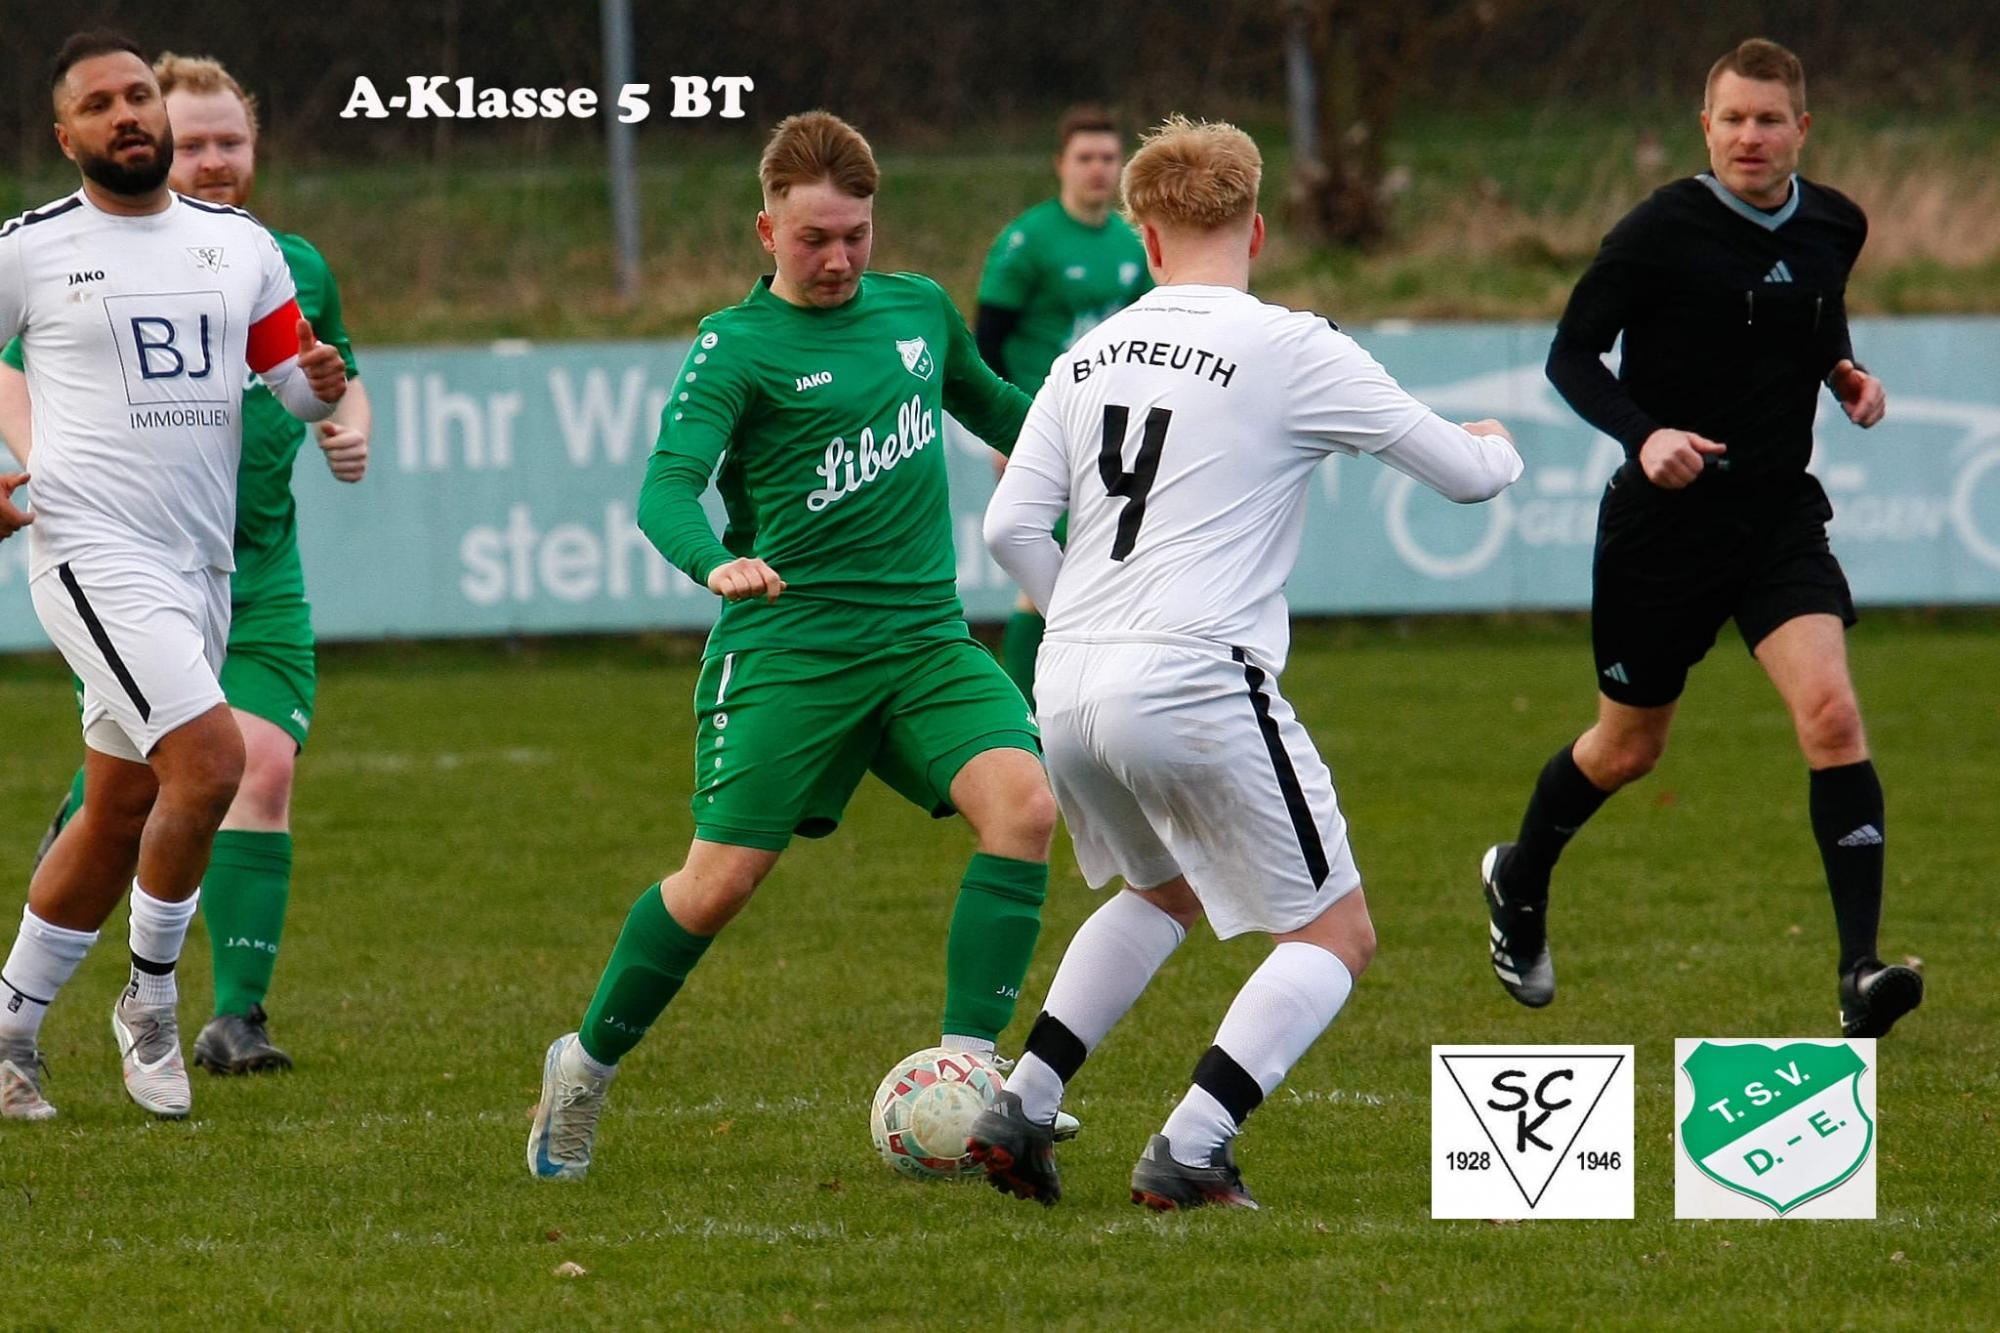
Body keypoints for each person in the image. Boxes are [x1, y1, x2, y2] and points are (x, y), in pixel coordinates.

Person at [975, 115, 1521, 1208]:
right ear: (1256, 229)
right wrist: (1497, 443)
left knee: (1159, 890)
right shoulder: (1289, 345)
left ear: (1144, 237)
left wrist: (1081, 610)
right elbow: (1463, 477)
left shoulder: (1086, 352)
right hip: (1187, 672)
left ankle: (1021, 1104)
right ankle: (1190, 1143)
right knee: (1335, 930)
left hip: (1069, 678)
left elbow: (1004, 529)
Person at [527, 111, 1062, 1181]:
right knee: (716, 884)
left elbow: (1005, 409)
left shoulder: (917, 313)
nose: (837, 258)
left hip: (922, 639)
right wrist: (710, 561)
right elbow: (664, 487)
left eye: (855, 235)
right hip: (790, 647)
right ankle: (582, 1068)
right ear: (763, 229)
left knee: (1025, 805)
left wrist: (1087, 453)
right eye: (812, 237)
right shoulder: (736, 344)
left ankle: (969, 1080)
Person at [1478, 38, 1920, 1039]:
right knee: (1628, 747)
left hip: (1773, 518)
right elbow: (1568, 355)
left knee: (1832, 715)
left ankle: (1858, 973)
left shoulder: (1834, 223)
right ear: (1704, 127)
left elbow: (1812, 315)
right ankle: (1520, 871)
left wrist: (1842, 374)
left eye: (1768, 120)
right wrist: (1644, 436)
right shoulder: (1655, 233)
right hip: (1659, 529)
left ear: (1799, 129)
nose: (1749, 137)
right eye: (1731, 119)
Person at [0, 52, 371, 1078]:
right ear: (63, 137)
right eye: (98, 105)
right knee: (217, 761)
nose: (137, 121)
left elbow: (301, 376)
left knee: (125, 806)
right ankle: (155, 1006)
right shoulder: (32, 249)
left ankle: (11, 1033)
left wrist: (331, 398)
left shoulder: (247, 252)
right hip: (97, 552)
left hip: (226, 569)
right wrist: (27, 464)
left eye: (142, 102)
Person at [975, 107, 1152, 709]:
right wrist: (1000, 430)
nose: (1099, 170)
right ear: (1061, 165)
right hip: (1039, 426)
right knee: (1056, 565)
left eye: (1108, 158)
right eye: (1086, 158)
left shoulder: (1133, 243)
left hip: (1111, 431)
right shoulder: (1028, 241)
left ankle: (1052, 710)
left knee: (1090, 565)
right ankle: (1026, 712)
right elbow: (988, 339)